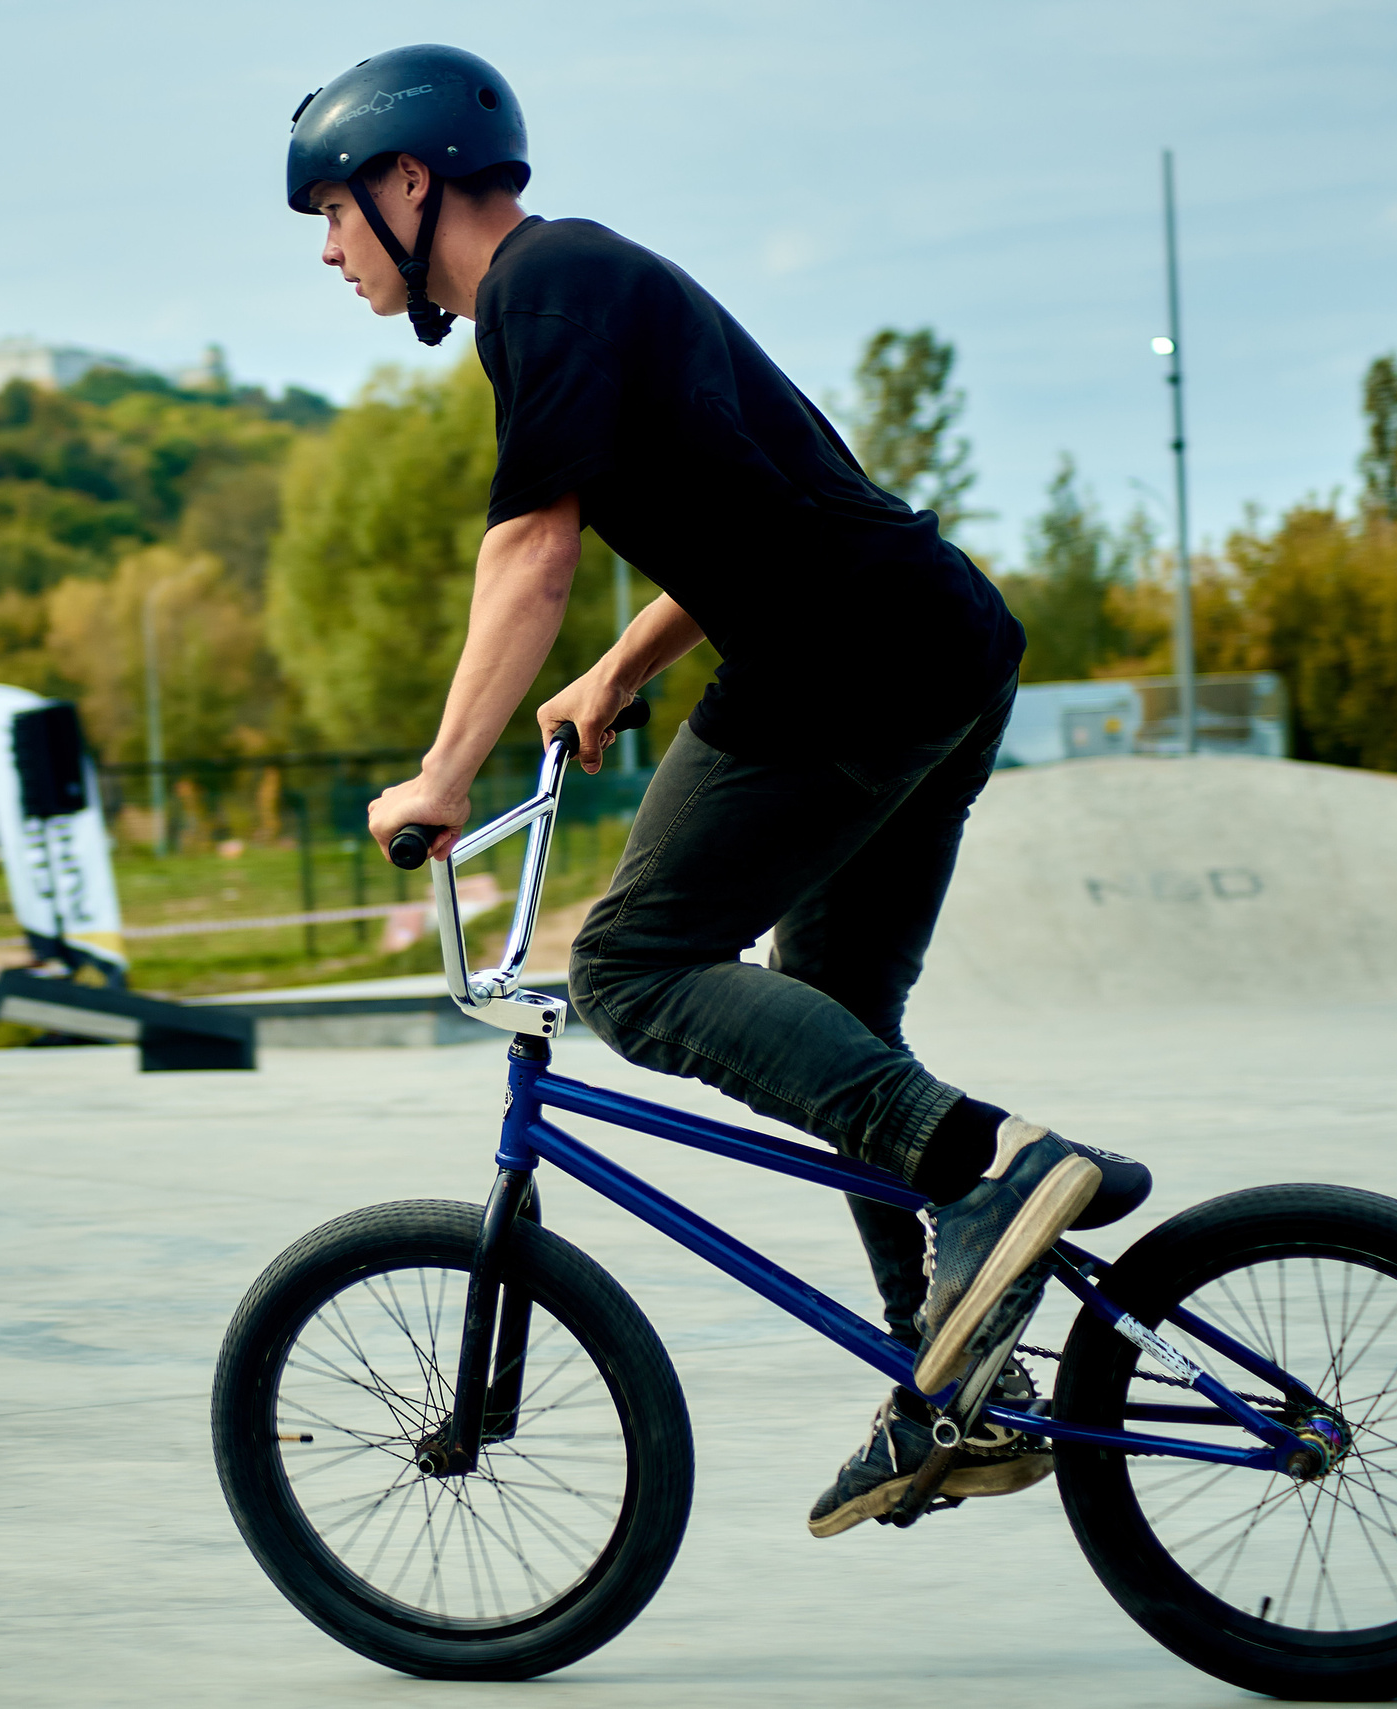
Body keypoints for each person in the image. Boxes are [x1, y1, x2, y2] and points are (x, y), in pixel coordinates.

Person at [293, 47, 1152, 1537]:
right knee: (839, 1026)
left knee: (629, 966)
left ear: (409, 183)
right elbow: (770, 497)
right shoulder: (608, 279)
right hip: (937, 645)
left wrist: (442, 773)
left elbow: (531, 552)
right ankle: (960, 1380)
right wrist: (626, 667)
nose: (328, 251)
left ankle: (992, 1170)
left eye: (332, 213)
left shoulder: (540, 297)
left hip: (840, 670)